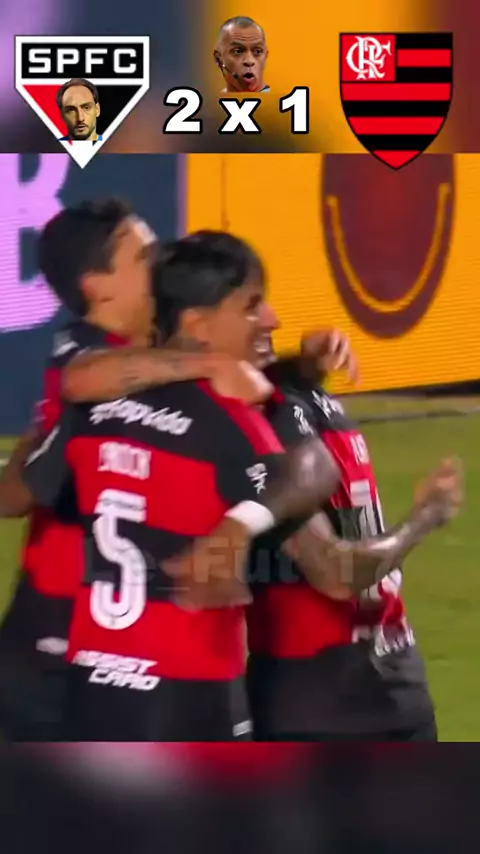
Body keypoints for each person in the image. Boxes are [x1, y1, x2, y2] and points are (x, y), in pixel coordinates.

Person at [20, 232, 340, 741]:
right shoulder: (234, 421)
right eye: (251, 305)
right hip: (192, 693)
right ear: (198, 324)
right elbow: (333, 566)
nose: (271, 319)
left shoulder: (92, 405)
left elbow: (22, 490)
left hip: (91, 685)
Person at [246, 350, 462, 741]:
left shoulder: (295, 395)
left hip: (393, 682)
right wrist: (424, 518)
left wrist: (305, 361)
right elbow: (336, 573)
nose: (270, 322)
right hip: (318, 703)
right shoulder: (254, 422)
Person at [214, 17, 270, 94]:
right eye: (237, 51)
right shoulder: (211, 100)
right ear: (218, 59)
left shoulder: (278, 100)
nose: (249, 61)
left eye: (257, 51)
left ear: (265, 56)